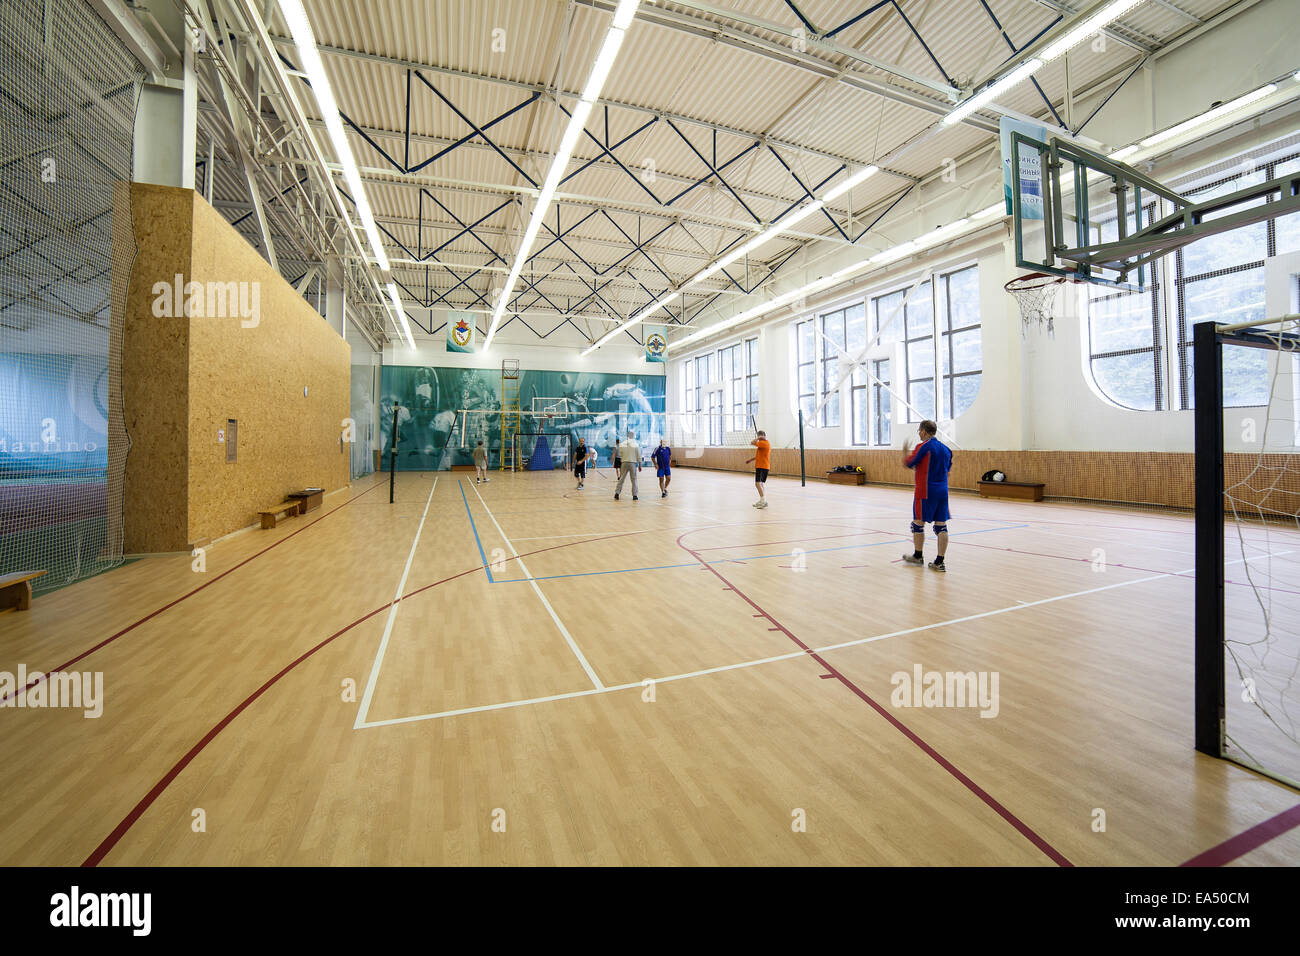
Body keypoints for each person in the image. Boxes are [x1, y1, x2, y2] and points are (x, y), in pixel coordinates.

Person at [901, 419, 953, 571]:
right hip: (942, 491)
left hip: (925, 491)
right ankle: (940, 562)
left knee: (917, 524)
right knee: (941, 526)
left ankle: (918, 556)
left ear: (924, 431)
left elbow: (909, 463)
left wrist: (904, 453)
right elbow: (948, 471)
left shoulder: (923, 447)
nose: (919, 433)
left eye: (919, 431)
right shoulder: (946, 449)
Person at [746, 430, 771, 508]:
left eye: (759, 436)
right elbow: (760, 456)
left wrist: (758, 437)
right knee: (760, 484)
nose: (758, 439)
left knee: (757, 483)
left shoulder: (764, 443)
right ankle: (763, 501)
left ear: (762, 435)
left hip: (762, 466)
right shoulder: (763, 444)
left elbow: (752, 442)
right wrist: (751, 459)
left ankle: (763, 501)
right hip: (763, 466)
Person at [614, 429, 641, 501]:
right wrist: (640, 464)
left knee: (621, 479)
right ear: (633, 436)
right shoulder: (635, 444)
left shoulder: (622, 444)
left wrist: (624, 458)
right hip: (632, 463)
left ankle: (617, 493)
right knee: (634, 479)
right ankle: (635, 495)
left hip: (624, 462)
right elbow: (638, 455)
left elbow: (620, 454)